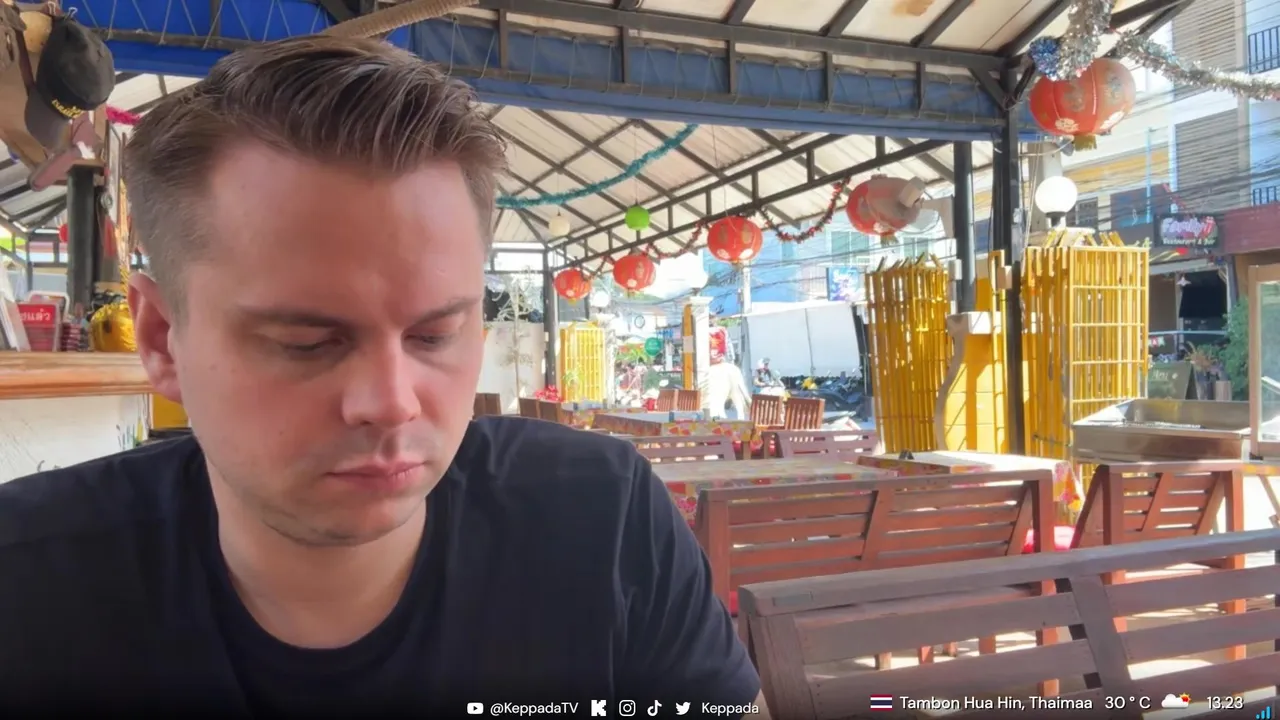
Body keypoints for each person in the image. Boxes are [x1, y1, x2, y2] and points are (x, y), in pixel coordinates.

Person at [0, 37, 761, 716]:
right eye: (306, 343)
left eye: (434, 335)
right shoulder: (30, 583)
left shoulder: (604, 520)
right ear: (162, 339)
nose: (391, 403)